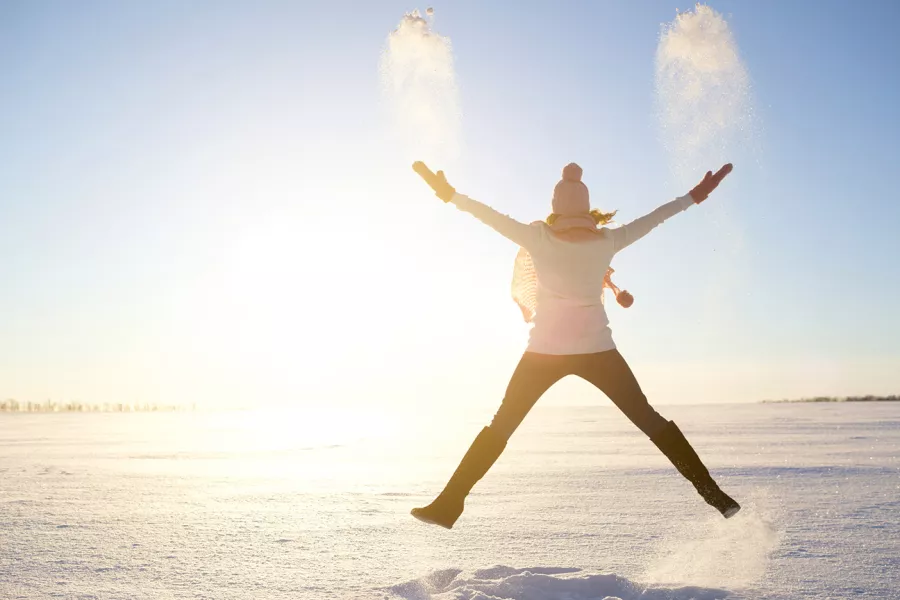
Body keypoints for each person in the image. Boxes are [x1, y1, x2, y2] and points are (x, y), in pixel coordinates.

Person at [410, 161, 740, 529]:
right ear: (585, 208)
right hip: (598, 351)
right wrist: (694, 196)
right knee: (649, 420)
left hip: (543, 353)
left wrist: (450, 195)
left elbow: (489, 216)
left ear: (555, 207)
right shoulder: (608, 240)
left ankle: (449, 503)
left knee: (501, 425)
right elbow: (657, 217)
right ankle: (716, 496)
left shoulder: (537, 238)